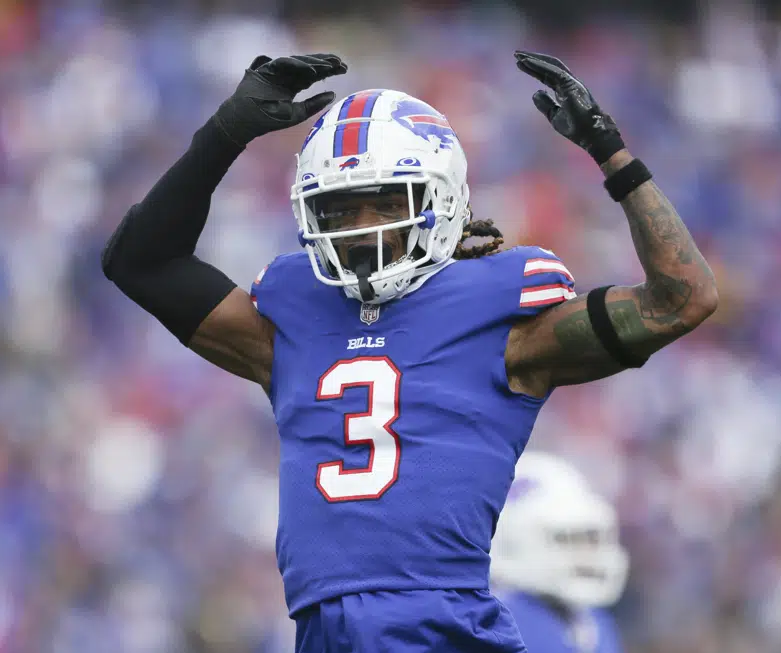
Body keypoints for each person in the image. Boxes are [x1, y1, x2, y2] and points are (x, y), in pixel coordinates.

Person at [101, 51, 717, 652]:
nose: (365, 225)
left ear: (440, 199)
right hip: (323, 630)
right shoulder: (290, 322)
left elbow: (681, 299)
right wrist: (225, 133)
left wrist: (612, 154)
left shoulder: (506, 320)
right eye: (341, 208)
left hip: (444, 625)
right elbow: (140, 262)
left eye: (388, 203)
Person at [492, 451, 629, 653]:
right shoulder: (497, 623)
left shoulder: (592, 621)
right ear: (510, 539)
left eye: (589, 538)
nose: (586, 555)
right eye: (565, 538)